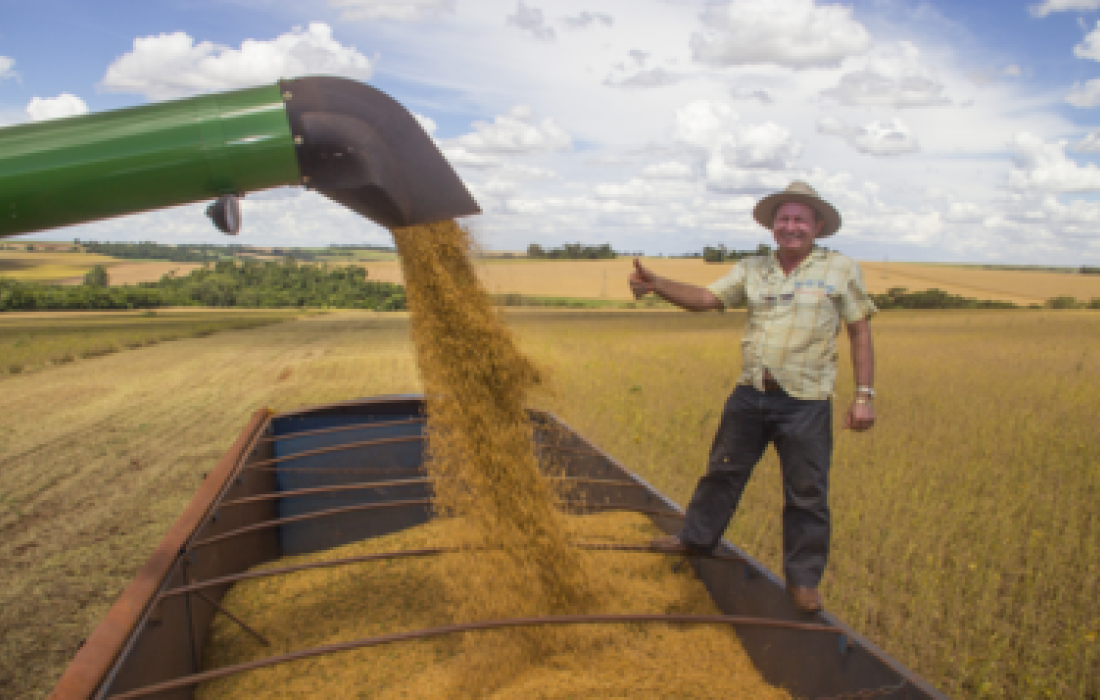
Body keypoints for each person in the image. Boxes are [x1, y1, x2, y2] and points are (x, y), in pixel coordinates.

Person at [628, 181, 877, 614]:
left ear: (817, 225)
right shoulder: (753, 269)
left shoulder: (840, 269)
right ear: (773, 226)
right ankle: (696, 539)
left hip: (806, 401)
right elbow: (706, 298)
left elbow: (859, 330)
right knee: (722, 472)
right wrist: (658, 285)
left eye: (800, 219)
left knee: (807, 493)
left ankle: (803, 582)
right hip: (751, 393)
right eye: (784, 219)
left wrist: (864, 395)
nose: (791, 226)